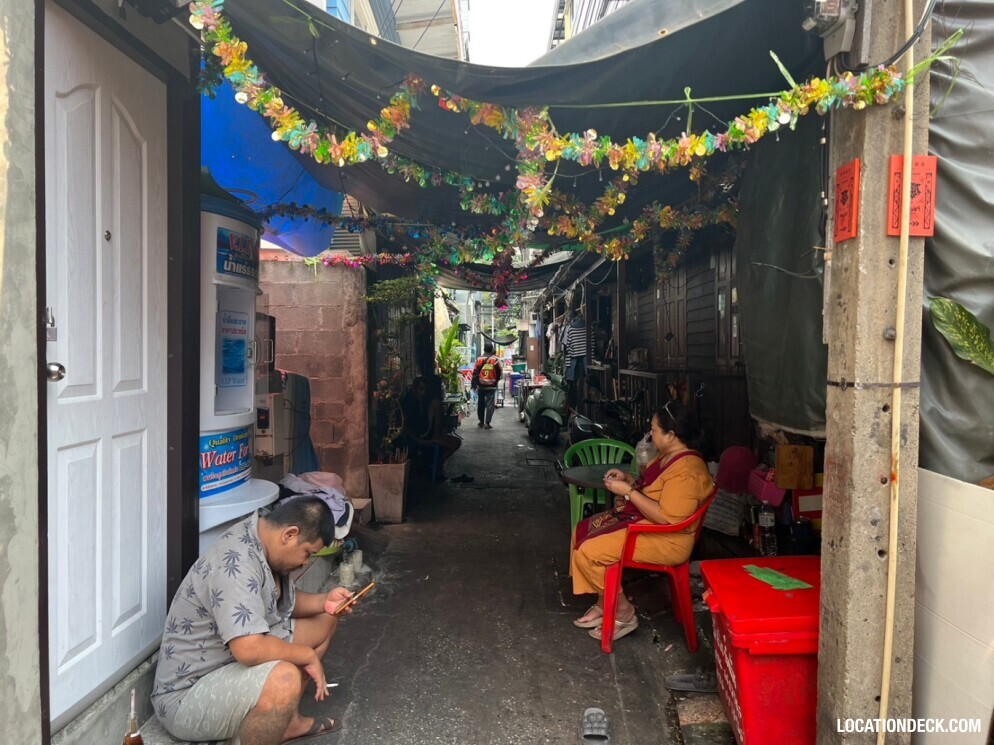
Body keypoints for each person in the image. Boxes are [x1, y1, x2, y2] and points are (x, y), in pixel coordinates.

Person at [151, 497, 354, 745]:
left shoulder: (261, 539)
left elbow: (278, 602)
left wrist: (325, 602)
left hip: (226, 662)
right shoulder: (235, 563)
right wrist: (306, 655)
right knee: (284, 679)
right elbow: (249, 649)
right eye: (307, 553)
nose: (305, 562)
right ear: (290, 535)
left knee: (325, 620)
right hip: (187, 696)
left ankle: (287, 722)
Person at [570, 400, 714, 643]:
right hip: (647, 524)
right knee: (582, 530)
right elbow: (651, 486)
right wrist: (628, 478)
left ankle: (623, 612)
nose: (650, 434)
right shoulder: (667, 456)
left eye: (654, 430)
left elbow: (667, 518)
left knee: (589, 551)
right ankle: (604, 602)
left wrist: (627, 492)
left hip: (667, 540)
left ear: (671, 435)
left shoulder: (688, 470)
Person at [401, 375, 462, 476]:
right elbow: (405, 428)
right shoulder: (408, 402)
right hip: (417, 437)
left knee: (456, 442)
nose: (423, 392)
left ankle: (436, 464)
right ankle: (434, 464)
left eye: (425, 390)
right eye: (421, 389)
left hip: (427, 434)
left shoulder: (426, 400)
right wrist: (420, 440)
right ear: (414, 388)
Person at [471, 342, 502, 430]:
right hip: (491, 385)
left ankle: (481, 422)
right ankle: (487, 423)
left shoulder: (479, 359)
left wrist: (474, 383)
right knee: (490, 404)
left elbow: (475, 372)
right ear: (492, 349)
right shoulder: (495, 360)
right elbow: (499, 371)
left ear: (484, 349)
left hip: (481, 385)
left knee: (481, 403)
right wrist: (496, 380)